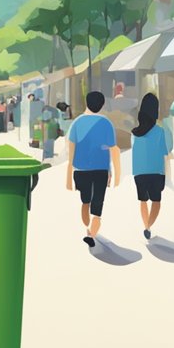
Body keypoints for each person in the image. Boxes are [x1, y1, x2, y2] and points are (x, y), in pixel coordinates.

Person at [66, 91, 121, 248]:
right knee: (98, 204)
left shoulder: (77, 123)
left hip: (80, 169)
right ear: (102, 105)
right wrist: (115, 172)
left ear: (86, 103)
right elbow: (113, 149)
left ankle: (87, 229)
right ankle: (91, 232)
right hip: (101, 170)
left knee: (85, 202)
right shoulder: (106, 124)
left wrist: (68, 176)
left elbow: (71, 151)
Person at [132, 93, 171, 241]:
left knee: (143, 200)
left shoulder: (134, 133)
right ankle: (148, 226)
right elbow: (164, 153)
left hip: (139, 171)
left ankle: (146, 225)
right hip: (156, 171)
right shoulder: (160, 131)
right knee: (156, 201)